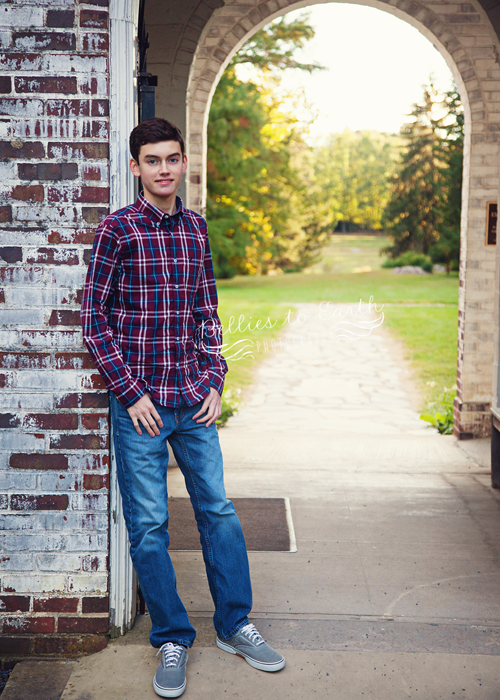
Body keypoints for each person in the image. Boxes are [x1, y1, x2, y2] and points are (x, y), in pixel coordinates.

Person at [81, 117, 285, 698]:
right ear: (135, 167)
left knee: (218, 511)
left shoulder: (196, 230)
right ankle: (171, 637)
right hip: (140, 406)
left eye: (172, 158)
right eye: (153, 160)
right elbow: (94, 321)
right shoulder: (117, 231)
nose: (164, 169)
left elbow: (208, 317)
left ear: (182, 163)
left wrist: (215, 379)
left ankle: (234, 625)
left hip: (193, 402)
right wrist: (131, 393)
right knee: (149, 528)